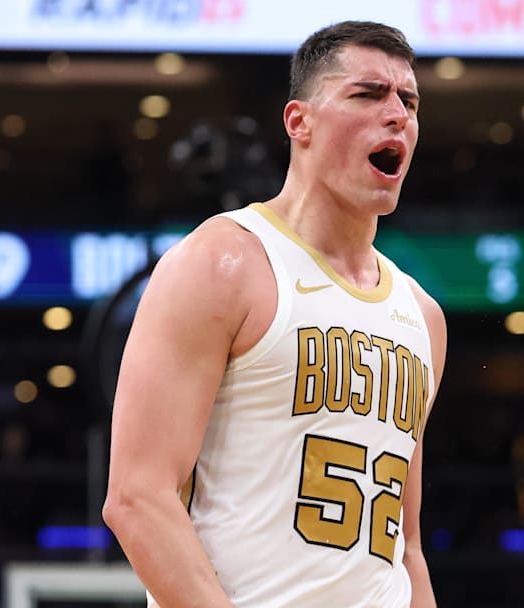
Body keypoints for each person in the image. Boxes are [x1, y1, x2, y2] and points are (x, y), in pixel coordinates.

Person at [102, 21, 444, 607]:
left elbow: (405, 547)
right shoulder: (223, 260)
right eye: (367, 94)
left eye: (408, 101)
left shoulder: (422, 313)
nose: (397, 115)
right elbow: (137, 497)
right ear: (299, 122)